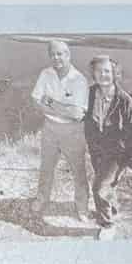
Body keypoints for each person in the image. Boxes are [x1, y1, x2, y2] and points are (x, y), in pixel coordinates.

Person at [30, 39, 91, 221]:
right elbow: (35, 101)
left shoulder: (79, 80)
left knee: (78, 171)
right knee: (46, 168)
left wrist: (50, 102)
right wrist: (63, 108)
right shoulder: (45, 74)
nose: (56, 58)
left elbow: (77, 114)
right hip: (50, 128)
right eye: (53, 54)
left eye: (60, 54)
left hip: (72, 132)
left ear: (68, 55)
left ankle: (82, 207)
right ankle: (42, 199)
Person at [83, 55, 132, 230]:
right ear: (93, 74)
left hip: (118, 152)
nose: (103, 75)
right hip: (97, 149)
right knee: (108, 183)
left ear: (115, 73)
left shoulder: (125, 101)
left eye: (107, 71)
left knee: (100, 188)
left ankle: (106, 224)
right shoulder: (89, 94)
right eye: (99, 71)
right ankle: (113, 207)